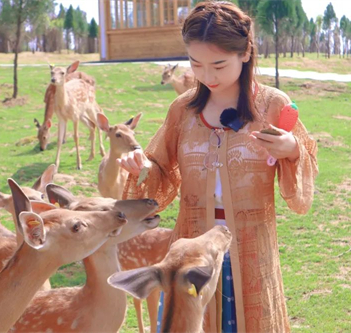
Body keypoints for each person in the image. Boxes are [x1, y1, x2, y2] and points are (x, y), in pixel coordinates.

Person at [117, 1, 319, 332]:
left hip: (251, 248)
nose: (207, 76)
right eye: (196, 64)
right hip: (191, 251)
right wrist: (141, 168)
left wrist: (292, 149)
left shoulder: (273, 105)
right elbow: (161, 173)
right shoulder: (182, 111)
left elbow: (303, 175)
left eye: (219, 65)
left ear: (245, 53)